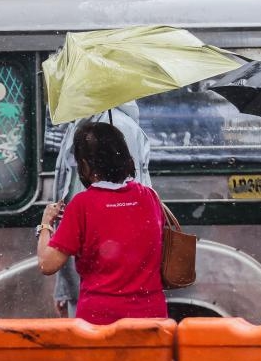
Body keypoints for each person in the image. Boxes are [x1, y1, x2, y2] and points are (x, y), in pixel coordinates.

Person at [36, 121, 165, 325]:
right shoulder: (149, 197)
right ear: (125, 157)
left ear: (85, 165)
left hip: (99, 319)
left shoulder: (82, 205)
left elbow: (47, 264)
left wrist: (45, 225)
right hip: (151, 317)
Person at [52, 102, 152, 318]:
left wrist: (44, 225)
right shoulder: (84, 124)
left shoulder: (107, 128)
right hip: (94, 285)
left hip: (101, 292)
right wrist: (64, 286)